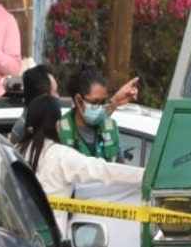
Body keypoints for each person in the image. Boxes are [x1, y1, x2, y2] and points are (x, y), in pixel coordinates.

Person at [16, 95, 144, 236]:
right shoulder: (61, 156)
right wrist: (146, 176)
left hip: (16, 241)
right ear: (58, 124)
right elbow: (104, 171)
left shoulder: (13, 152)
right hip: (50, 244)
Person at [57, 64, 141, 162]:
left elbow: (120, 168)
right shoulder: (61, 131)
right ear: (79, 101)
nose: (100, 108)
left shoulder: (110, 127)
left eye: (102, 102)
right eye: (94, 102)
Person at [9, 63, 60, 144]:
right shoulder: (26, 129)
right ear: (44, 97)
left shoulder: (42, 122)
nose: (58, 97)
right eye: (55, 92)